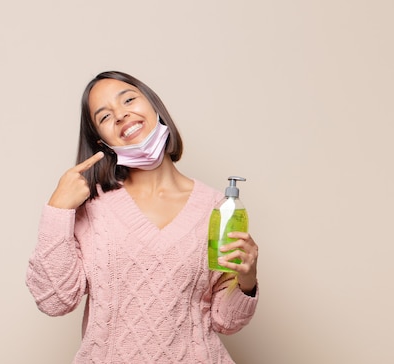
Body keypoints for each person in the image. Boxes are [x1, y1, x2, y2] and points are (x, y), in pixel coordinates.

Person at [26, 71, 259, 363]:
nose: (121, 115)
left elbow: (226, 321)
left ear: (154, 108)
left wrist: (247, 280)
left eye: (128, 100)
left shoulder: (218, 207)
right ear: (101, 142)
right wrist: (57, 210)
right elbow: (54, 300)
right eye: (105, 116)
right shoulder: (93, 206)